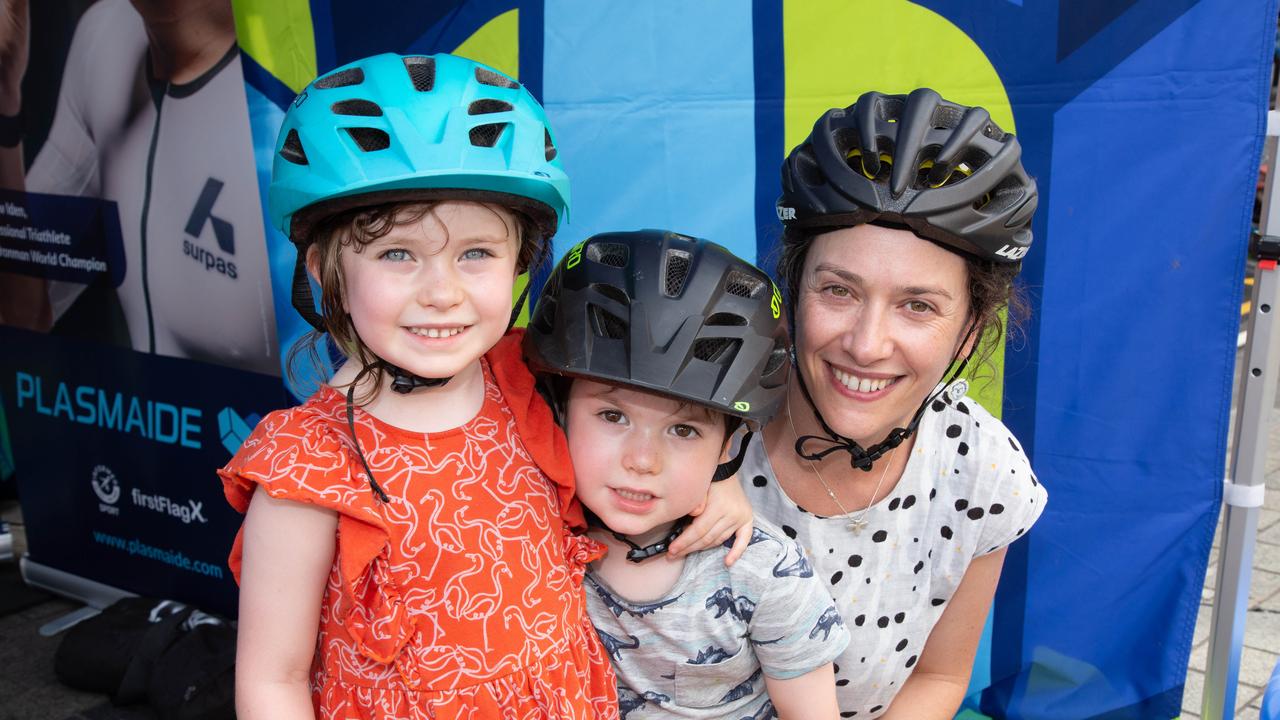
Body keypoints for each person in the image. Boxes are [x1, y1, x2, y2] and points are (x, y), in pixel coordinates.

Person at [217, 54, 750, 719]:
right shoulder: (308, 468)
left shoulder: (528, 375)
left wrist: (720, 480)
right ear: (326, 270)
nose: (442, 293)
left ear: (520, 261)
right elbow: (273, 681)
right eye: (397, 254)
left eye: (476, 253)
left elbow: (659, 419)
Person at [741, 88, 1048, 718]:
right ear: (795, 289)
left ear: (971, 327)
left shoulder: (983, 471)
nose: (866, 343)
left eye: (918, 305)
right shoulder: (701, 420)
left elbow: (937, 678)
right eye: (838, 291)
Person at [525, 229, 850, 720]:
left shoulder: (764, 574)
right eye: (613, 417)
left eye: (683, 430)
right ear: (558, 410)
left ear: (729, 446)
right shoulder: (528, 540)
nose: (642, 459)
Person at [0, 0, 279, 374]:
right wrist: (4, 97)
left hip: (269, 429)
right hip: (129, 422)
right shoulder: (105, 35)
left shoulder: (292, 97)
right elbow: (23, 313)